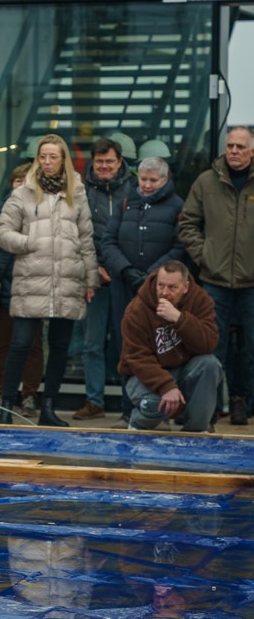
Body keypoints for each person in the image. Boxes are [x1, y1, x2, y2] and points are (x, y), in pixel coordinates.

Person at [0, 134, 99, 427]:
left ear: (63, 159)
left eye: (53, 157)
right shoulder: (23, 193)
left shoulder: (77, 192)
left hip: (68, 280)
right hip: (31, 280)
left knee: (60, 346)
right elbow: (2, 231)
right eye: (43, 156)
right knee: (21, 343)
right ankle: (7, 406)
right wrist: (28, 242)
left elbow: (86, 239)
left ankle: (48, 409)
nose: (48, 162)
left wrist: (91, 279)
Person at [178, 125, 254, 427]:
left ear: (252, 151)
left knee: (249, 349)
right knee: (211, 347)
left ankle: (241, 402)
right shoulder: (206, 181)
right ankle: (209, 410)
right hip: (214, 281)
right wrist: (205, 256)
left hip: (252, 285)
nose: (233, 151)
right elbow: (187, 225)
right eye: (230, 145)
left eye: (240, 147)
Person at [99, 156, 184, 421]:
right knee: (127, 346)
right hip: (124, 285)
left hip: (161, 290)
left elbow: (181, 247)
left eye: (152, 180)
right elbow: (108, 241)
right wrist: (125, 269)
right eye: (143, 179)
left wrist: (152, 275)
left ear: (165, 180)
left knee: (161, 346)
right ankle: (129, 409)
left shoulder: (177, 206)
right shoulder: (126, 201)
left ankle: (163, 407)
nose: (146, 185)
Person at [118, 261, 221, 432]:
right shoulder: (137, 309)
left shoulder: (200, 300)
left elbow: (208, 344)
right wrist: (166, 386)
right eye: (161, 286)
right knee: (156, 404)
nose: (164, 293)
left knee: (210, 365)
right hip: (141, 375)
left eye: (172, 287)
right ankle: (136, 425)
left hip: (183, 369)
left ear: (185, 287)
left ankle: (196, 432)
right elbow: (137, 357)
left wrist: (180, 319)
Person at [74, 138, 132, 420]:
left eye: (109, 161)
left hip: (126, 277)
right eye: (99, 162)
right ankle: (94, 401)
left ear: (120, 161)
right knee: (92, 344)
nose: (104, 167)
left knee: (128, 344)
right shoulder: (81, 192)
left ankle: (129, 403)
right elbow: (75, 234)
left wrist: (121, 267)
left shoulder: (133, 190)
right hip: (93, 277)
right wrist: (94, 266)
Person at [0, 164, 44, 416]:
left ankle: (30, 395)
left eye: (26, 181)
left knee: (32, 344)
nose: (20, 185)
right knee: (2, 342)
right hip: (3, 287)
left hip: (33, 286)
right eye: (16, 180)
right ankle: (3, 392)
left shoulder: (41, 213)